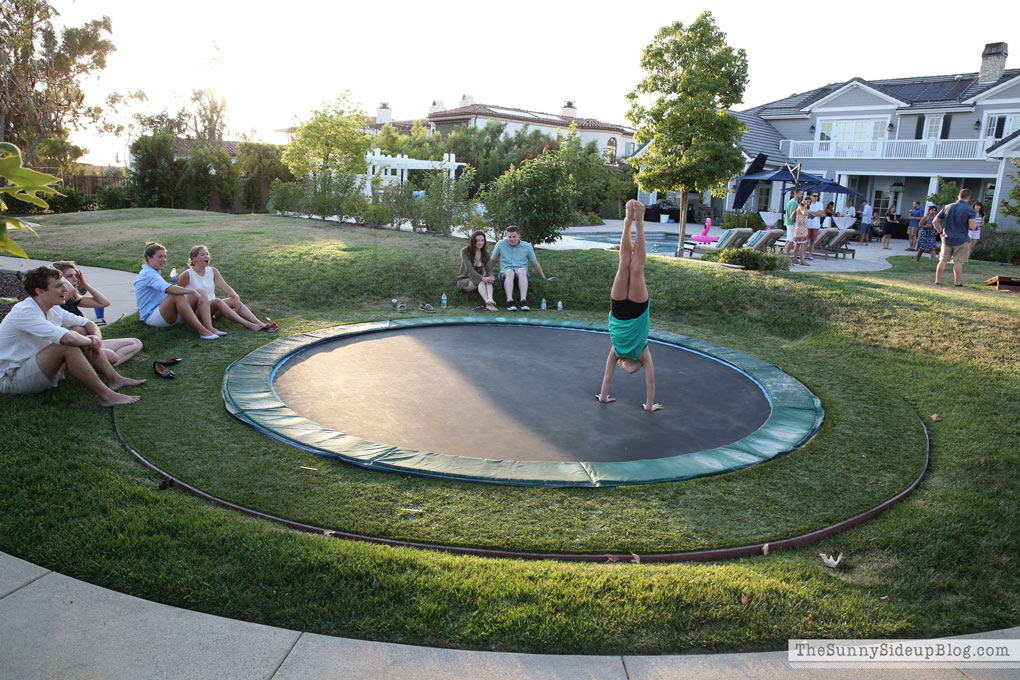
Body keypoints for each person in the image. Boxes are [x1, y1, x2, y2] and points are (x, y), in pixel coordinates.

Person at [0, 266, 143, 405]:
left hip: (37, 364)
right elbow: (67, 339)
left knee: (78, 332)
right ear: (40, 291)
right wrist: (89, 342)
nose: (65, 290)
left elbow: (88, 323)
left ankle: (115, 379)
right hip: (11, 378)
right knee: (68, 344)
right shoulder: (24, 312)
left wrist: (96, 338)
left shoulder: (53, 308)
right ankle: (107, 396)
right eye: (58, 286)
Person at [596, 200, 661, 412]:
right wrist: (603, 397)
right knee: (627, 266)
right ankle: (629, 222)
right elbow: (607, 376)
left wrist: (650, 405)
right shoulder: (618, 352)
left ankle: (635, 222)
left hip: (636, 310)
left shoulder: (642, 353)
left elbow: (649, 382)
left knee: (635, 268)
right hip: (618, 310)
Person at [52, 261, 142, 366]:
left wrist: (84, 284)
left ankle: (106, 366)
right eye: (70, 276)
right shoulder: (55, 302)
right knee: (112, 355)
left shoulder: (71, 299)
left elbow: (103, 303)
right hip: (78, 347)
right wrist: (55, 274)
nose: (75, 279)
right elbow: (71, 290)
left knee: (136, 343)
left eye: (75, 276)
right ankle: (101, 364)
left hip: (90, 342)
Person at [133, 242, 220, 339]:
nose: (164, 260)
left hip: (165, 313)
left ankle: (209, 327)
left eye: (165, 256)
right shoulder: (147, 274)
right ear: (149, 258)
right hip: (152, 318)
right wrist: (191, 291)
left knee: (201, 291)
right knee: (177, 295)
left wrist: (175, 285)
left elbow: (165, 290)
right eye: (160, 257)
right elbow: (170, 290)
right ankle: (202, 331)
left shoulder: (154, 272)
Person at [175, 245, 274, 331]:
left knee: (232, 300)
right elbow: (174, 291)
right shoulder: (188, 274)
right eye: (202, 255)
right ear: (194, 258)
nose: (207, 256)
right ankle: (248, 325)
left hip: (213, 308)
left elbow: (225, 286)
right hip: (198, 311)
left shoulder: (212, 270)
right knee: (218, 301)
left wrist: (236, 297)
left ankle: (259, 323)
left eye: (207, 254)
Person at [490, 226, 553, 311]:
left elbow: (535, 263)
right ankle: (509, 301)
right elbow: (492, 260)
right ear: (506, 236)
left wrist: (544, 278)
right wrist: (487, 274)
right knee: (509, 271)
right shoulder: (500, 244)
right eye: (509, 237)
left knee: (522, 270)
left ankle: (523, 301)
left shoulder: (527, 246)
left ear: (519, 235)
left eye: (514, 237)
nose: (511, 239)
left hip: (522, 277)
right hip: (505, 276)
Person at [933, 188, 978, 286]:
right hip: (961, 239)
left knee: (943, 260)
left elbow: (935, 221)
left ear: (959, 195)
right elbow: (972, 227)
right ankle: (957, 282)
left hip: (947, 238)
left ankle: (938, 280)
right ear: (969, 198)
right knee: (958, 262)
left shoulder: (947, 207)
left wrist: (941, 232)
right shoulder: (970, 210)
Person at [457, 231, 497, 312]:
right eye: (478, 240)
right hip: (465, 280)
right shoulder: (465, 251)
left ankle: (490, 299)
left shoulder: (485, 253)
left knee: (487, 280)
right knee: (482, 281)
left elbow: (489, 270)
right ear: (473, 241)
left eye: (482, 240)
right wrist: (483, 278)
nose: (480, 243)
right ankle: (488, 303)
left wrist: (491, 276)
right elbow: (469, 269)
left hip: (479, 280)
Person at [783, 187, 804, 258]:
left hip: (788, 223)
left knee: (788, 239)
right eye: (801, 194)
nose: (801, 195)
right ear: (796, 194)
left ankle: (784, 254)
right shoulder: (794, 202)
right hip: (791, 223)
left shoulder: (792, 201)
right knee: (791, 240)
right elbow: (792, 214)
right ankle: (787, 255)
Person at [792, 197, 811, 266]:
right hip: (800, 229)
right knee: (802, 244)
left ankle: (795, 259)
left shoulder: (804, 207)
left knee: (798, 244)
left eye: (809, 202)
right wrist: (805, 206)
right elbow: (805, 213)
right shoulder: (801, 207)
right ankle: (802, 260)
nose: (808, 203)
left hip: (802, 228)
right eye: (807, 201)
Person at [807, 191, 824, 259]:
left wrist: (811, 212)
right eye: (814, 196)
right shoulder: (808, 203)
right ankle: (803, 254)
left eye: (817, 196)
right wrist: (815, 213)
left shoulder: (819, 204)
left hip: (815, 225)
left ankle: (810, 254)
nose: (816, 197)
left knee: (812, 241)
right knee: (805, 240)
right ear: (811, 196)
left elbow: (820, 213)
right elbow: (805, 212)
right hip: (808, 224)